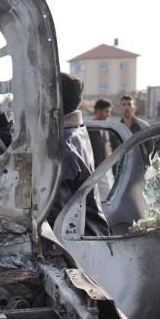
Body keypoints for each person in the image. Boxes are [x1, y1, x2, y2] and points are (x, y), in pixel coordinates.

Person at [45, 73, 109, 236]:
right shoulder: (74, 132)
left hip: (80, 247)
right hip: (91, 236)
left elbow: (57, 219)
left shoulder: (61, 146)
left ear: (54, 100)